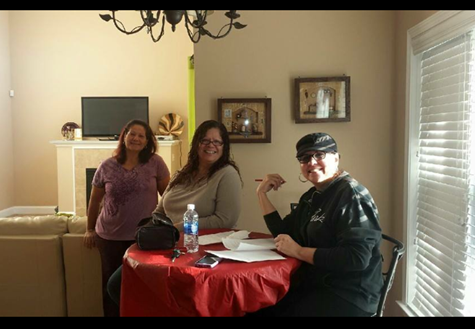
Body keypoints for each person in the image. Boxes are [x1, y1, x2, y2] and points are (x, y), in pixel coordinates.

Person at [106, 120, 243, 310]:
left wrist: (176, 227)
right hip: (165, 245)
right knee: (116, 285)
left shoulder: (227, 174)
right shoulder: (183, 173)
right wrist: (156, 230)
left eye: (217, 142)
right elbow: (160, 210)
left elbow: (225, 220)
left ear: (224, 146)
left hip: (199, 251)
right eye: (204, 140)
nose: (210, 145)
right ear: (196, 144)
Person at [253, 132, 383, 317]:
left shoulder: (351, 195)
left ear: (337, 158)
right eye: (304, 158)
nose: (311, 162)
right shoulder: (312, 195)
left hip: (348, 295)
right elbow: (283, 234)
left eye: (319, 155)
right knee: (253, 306)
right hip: (316, 285)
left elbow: (356, 258)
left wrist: (298, 252)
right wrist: (261, 194)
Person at [84, 119, 170, 317]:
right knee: (110, 287)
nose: (136, 139)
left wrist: (169, 227)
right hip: (109, 237)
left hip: (143, 238)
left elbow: (168, 198)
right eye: (132, 134)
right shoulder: (106, 166)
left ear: (148, 141)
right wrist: (89, 229)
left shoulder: (155, 163)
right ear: (124, 137)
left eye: (141, 136)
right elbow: (94, 201)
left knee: (143, 286)